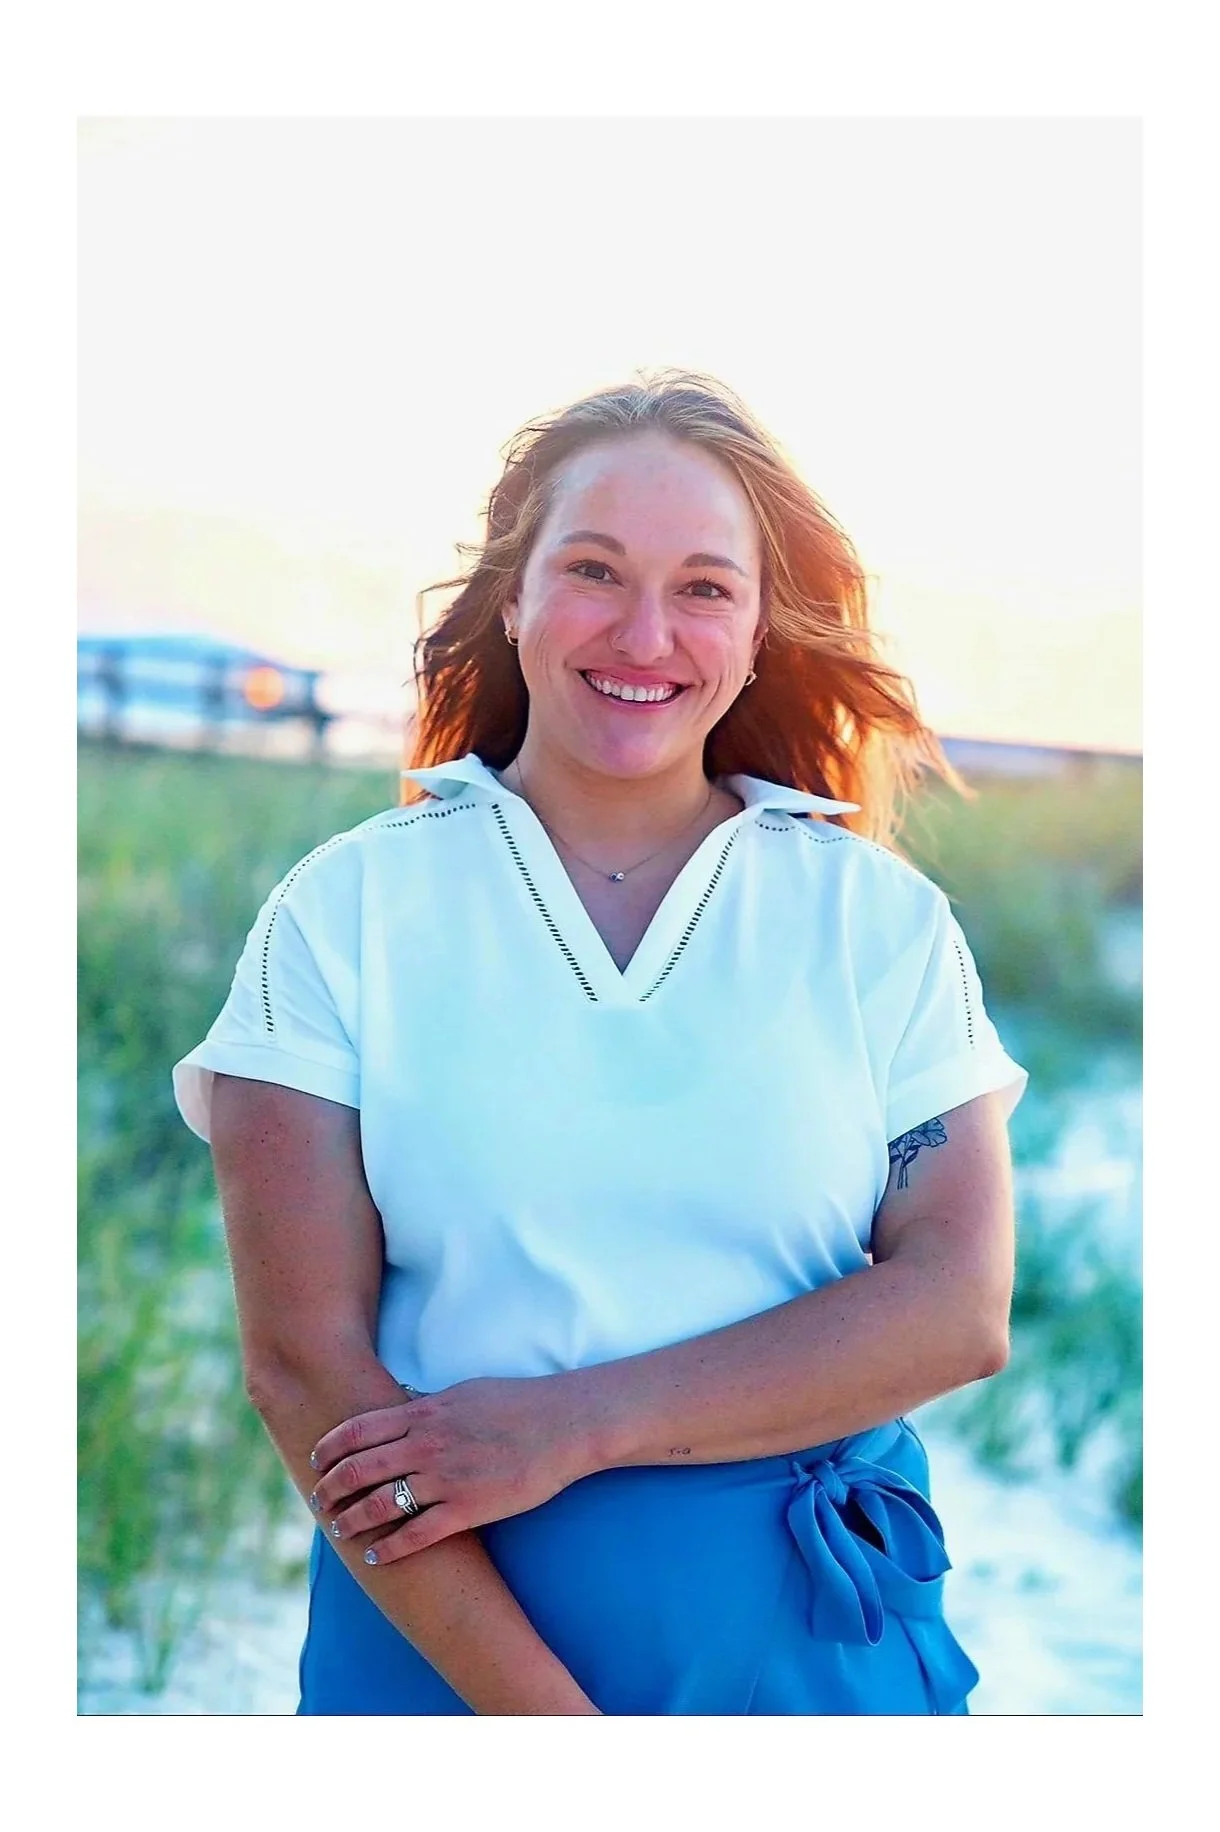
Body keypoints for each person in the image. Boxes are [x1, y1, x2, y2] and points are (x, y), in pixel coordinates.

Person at [172, 370, 1027, 1716]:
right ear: (512, 598)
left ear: (755, 635)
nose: (645, 630)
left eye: (703, 586)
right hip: (443, 1649)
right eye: (593, 570)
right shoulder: (345, 912)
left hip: (800, 1659)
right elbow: (302, 1366)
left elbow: (958, 1309)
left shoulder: (875, 922)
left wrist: (570, 1428)